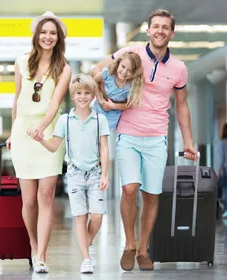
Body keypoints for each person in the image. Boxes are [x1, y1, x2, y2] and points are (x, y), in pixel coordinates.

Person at [91, 9, 198, 271]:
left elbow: (181, 105)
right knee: (129, 189)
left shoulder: (179, 69)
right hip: (127, 133)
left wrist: (188, 141)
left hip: (157, 136)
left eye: (165, 27)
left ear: (172, 33)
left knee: (151, 194)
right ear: (148, 30)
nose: (160, 31)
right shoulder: (132, 52)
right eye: (156, 26)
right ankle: (129, 245)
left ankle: (142, 250)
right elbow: (97, 70)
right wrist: (107, 99)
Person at [5, 11, 72, 273]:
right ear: (36, 35)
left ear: (59, 38)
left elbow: (55, 104)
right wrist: (14, 131)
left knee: (46, 196)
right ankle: (33, 244)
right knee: (29, 200)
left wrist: (41, 128)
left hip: (48, 134)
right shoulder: (22, 62)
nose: (48, 37)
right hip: (23, 133)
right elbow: (17, 99)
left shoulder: (64, 68)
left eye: (53, 33)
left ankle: (42, 255)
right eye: (44, 32)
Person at [37, 74, 110, 274]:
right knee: (80, 216)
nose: (83, 97)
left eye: (87, 93)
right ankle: (86, 258)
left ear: (93, 95)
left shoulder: (99, 119)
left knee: (96, 216)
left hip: (95, 173)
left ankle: (88, 244)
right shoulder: (65, 120)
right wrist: (41, 139)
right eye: (79, 93)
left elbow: (104, 148)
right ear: (73, 95)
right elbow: (53, 146)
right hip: (75, 174)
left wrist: (105, 174)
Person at [93, 51, 144, 130]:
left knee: (104, 136)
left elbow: (131, 105)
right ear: (119, 63)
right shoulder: (108, 73)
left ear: (134, 72)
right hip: (98, 109)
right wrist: (100, 99)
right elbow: (94, 81)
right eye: (123, 66)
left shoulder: (131, 85)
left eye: (129, 70)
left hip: (113, 116)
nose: (124, 72)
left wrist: (112, 106)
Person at [218, 123, 227, 218]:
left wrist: (219, 171)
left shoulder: (222, 142)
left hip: (226, 167)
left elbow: (221, 158)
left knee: (225, 189)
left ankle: (226, 210)